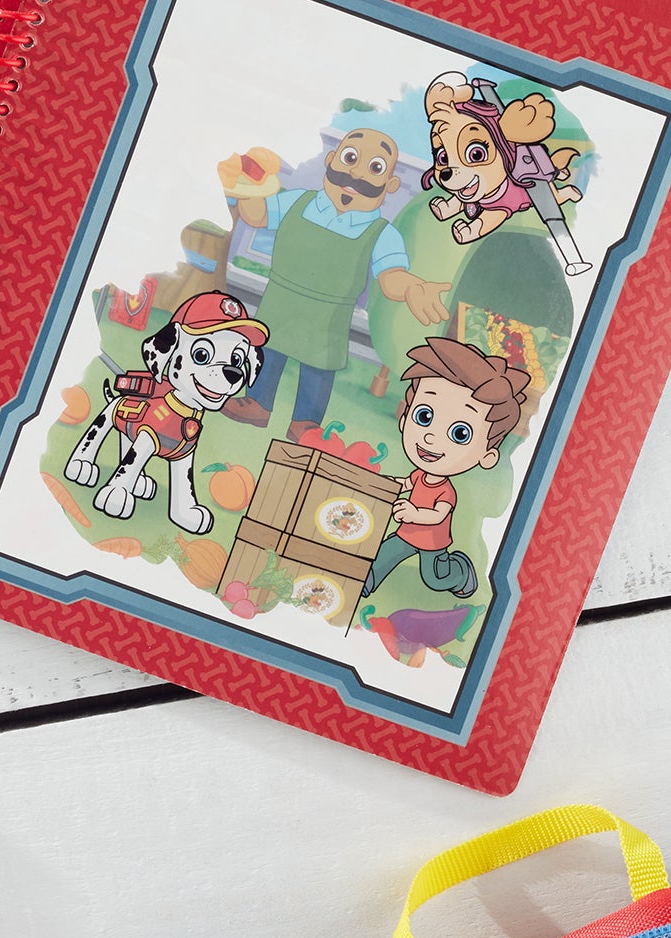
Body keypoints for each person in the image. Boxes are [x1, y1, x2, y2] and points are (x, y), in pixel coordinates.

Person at [216, 127, 448, 437]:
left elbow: (390, 275)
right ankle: (257, 402)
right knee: (268, 349)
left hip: (329, 316)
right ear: (330, 160)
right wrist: (245, 185)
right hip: (280, 299)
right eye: (350, 158)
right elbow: (258, 215)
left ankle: (306, 421)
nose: (356, 174)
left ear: (390, 184)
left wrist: (411, 288)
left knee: (319, 367)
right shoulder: (298, 201)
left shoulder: (382, 233)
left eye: (375, 167)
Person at [363, 336, 528, 602]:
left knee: (435, 578)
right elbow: (407, 483)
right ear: (404, 420)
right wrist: (391, 483)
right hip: (407, 532)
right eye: (424, 416)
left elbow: (438, 515)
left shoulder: (446, 491)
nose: (431, 438)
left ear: (487, 456)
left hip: (432, 542)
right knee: (386, 552)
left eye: (460, 433)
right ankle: (367, 582)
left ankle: (461, 572)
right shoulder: (420, 474)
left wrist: (415, 513)